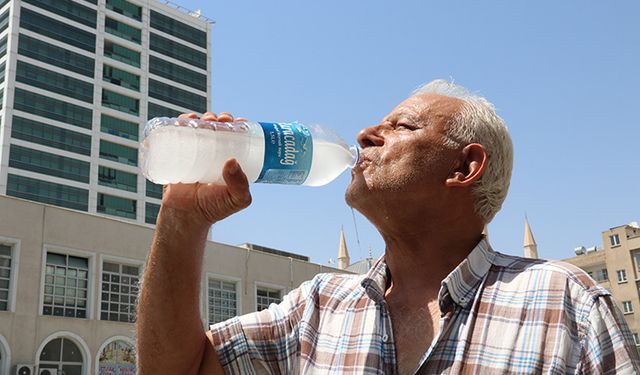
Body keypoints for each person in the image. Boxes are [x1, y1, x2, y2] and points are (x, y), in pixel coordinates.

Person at [136, 80, 640, 374]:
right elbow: (175, 369)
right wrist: (181, 219)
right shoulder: (318, 307)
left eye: (402, 126)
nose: (364, 134)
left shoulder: (563, 304)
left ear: (465, 168)